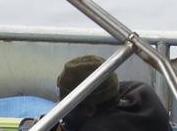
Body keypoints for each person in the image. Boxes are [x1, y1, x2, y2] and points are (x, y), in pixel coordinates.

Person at [39, 55, 170, 130]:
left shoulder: (96, 128)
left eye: (64, 106)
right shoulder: (140, 91)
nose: (58, 107)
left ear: (88, 110)